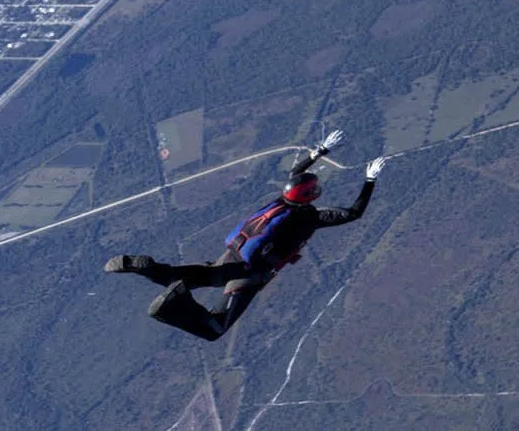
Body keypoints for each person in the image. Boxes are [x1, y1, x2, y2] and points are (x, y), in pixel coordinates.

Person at [106, 132, 382, 340]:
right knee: (215, 328)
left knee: (195, 276)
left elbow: (296, 172)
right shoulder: (309, 218)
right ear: (310, 196)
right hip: (250, 273)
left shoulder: (281, 201)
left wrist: (320, 151)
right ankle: (171, 306)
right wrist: (369, 181)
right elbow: (352, 213)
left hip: (232, 254)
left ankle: (149, 269)